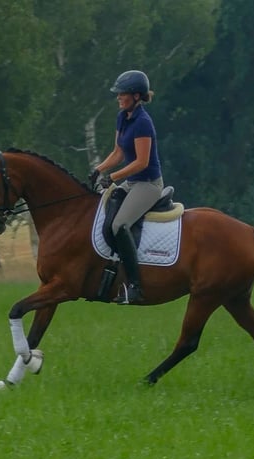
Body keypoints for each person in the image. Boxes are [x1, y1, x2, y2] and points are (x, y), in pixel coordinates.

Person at [89, 70, 164, 304]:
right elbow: (118, 152)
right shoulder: (123, 116)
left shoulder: (143, 122)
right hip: (132, 182)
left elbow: (141, 162)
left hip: (148, 184)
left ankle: (135, 286)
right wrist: (98, 169)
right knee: (103, 213)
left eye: (122, 94)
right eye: (118, 94)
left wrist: (113, 177)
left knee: (120, 224)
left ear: (136, 95)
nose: (119, 97)